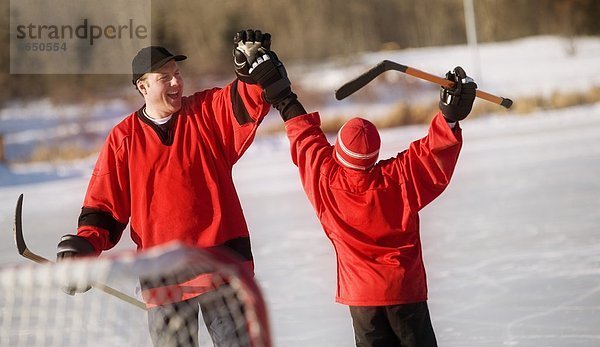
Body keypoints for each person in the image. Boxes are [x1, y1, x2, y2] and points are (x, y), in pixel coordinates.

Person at [55, 29, 294, 346]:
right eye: (164, 77)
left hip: (220, 268)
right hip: (163, 279)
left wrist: (248, 72)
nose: (176, 82)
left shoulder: (204, 113)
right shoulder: (123, 138)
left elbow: (241, 102)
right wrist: (86, 246)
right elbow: (104, 208)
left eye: (177, 74)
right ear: (143, 86)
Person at [275, 66, 477, 347]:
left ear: (338, 152)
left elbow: (304, 137)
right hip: (404, 290)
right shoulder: (399, 179)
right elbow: (431, 156)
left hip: (361, 297)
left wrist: (281, 95)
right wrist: (449, 118)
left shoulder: (324, 177)